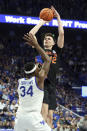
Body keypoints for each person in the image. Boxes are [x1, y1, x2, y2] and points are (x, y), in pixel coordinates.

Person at [29, 6, 64, 128]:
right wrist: (41, 22)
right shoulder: (39, 49)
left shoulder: (56, 51)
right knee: (42, 114)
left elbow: (61, 33)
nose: (46, 40)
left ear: (54, 43)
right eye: (45, 39)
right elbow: (31, 34)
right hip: (41, 82)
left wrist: (58, 18)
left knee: (50, 117)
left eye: (49, 39)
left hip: (52, 85)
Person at [14, 33, 52, 131]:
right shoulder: (39, 80)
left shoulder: (20, 81)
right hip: (33, 118)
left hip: (19, 118)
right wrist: (36, 45)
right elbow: (47, 60)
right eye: (37, 68)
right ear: (35, 71)